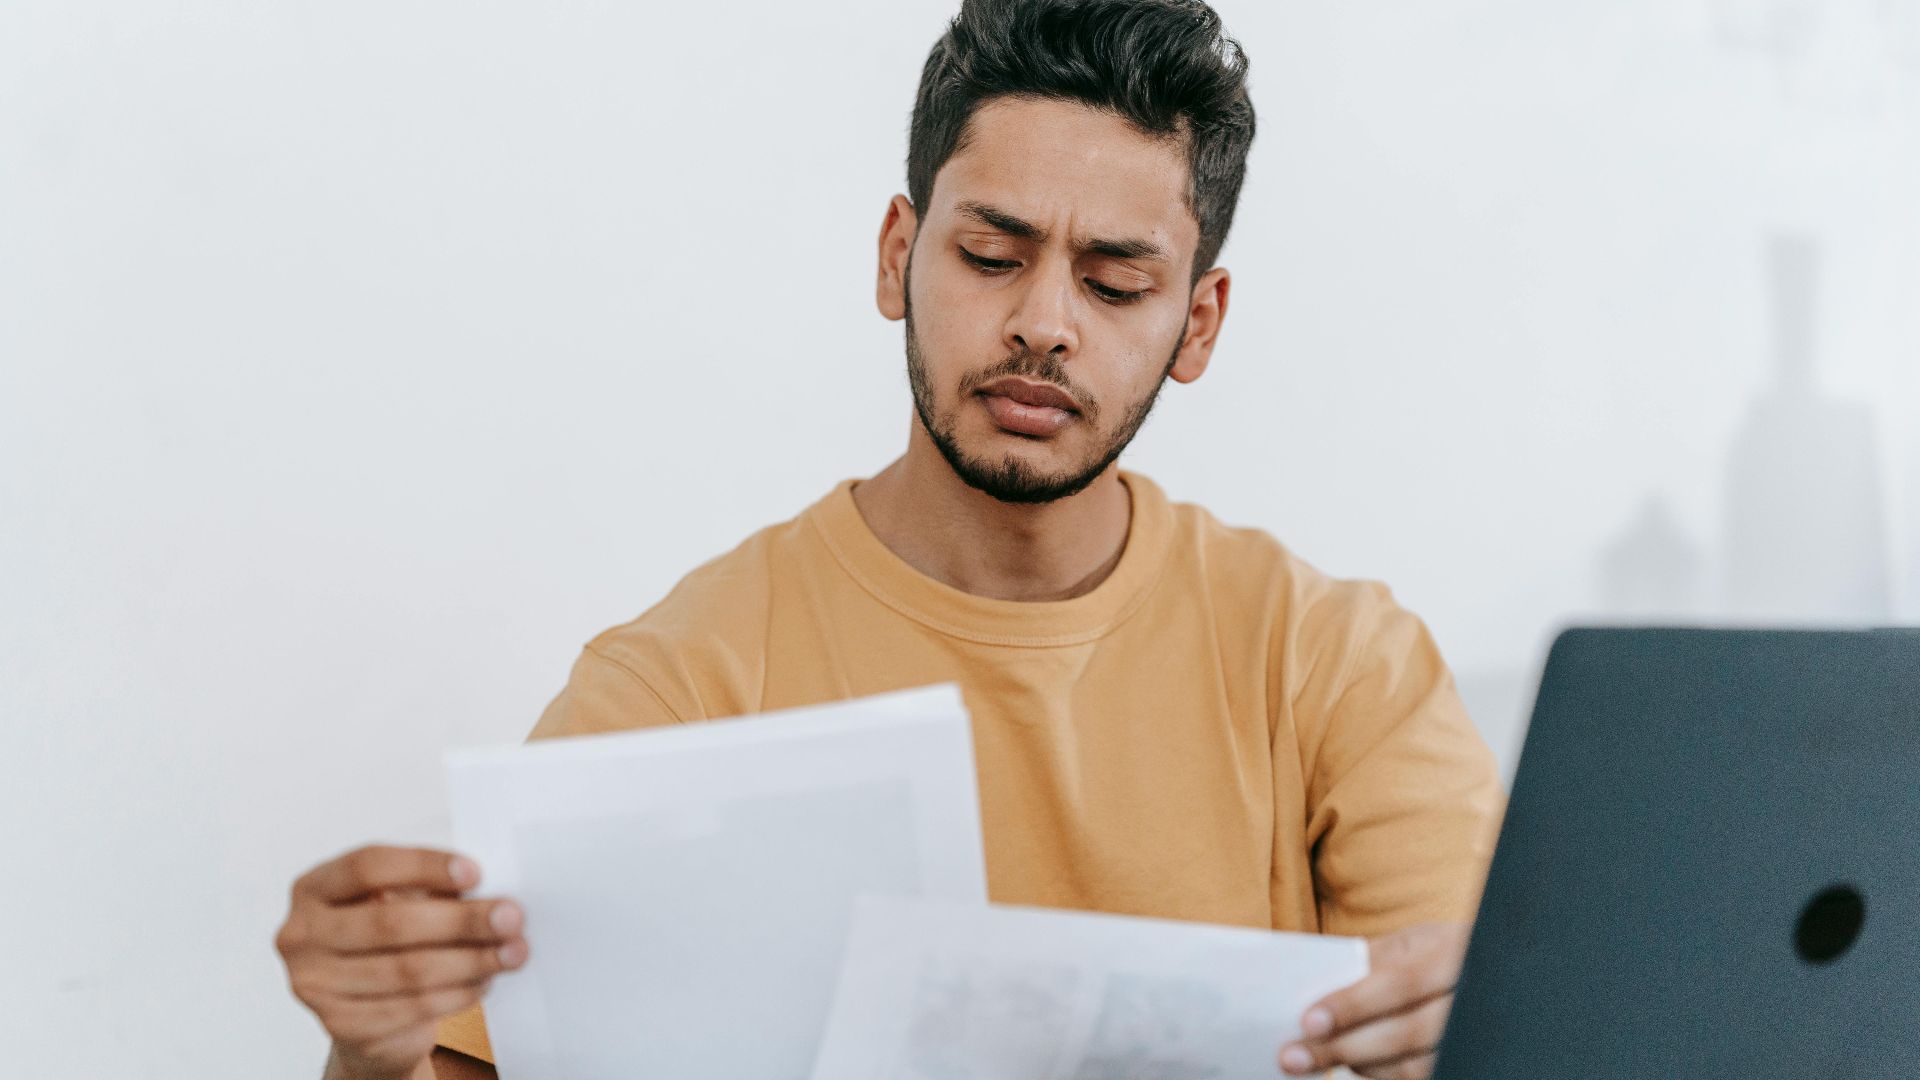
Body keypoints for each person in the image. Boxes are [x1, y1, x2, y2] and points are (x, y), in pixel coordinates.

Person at [273, 1, 1504, 1077]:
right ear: (898, 256)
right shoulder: (684, 685)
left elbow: (1510, 1032)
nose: (1043, 324)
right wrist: (367, 1055)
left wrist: (1487, 1039)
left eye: (1115, 284)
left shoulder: (1334, 663)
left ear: (1199, 323)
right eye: (991, 255)